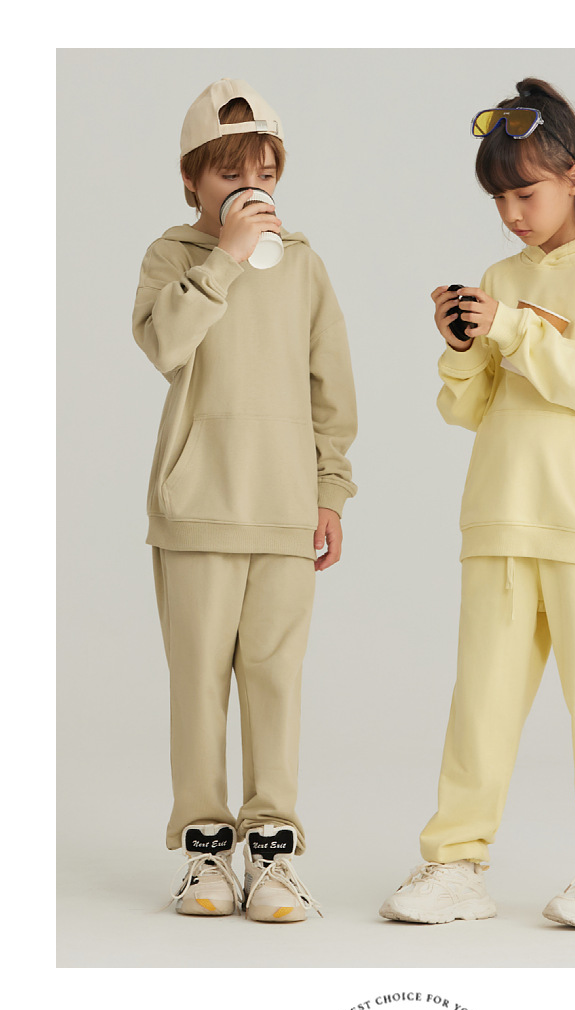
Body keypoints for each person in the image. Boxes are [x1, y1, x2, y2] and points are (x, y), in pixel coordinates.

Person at [379, 77, 575, 930]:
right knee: (481, 701)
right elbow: (468, 409)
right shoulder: (501, 276)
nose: (511, 213)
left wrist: (511, 327)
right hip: (500, 514)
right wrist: (464, 345)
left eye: (525, 193)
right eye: (498, 197)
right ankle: (455, 864)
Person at [132, 79, 357, 922]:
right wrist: (224, 256)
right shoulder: (172, 259)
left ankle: (271, 854)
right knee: (197, 686)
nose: (250, 188)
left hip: (284, 512)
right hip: (196, 510)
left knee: (275, 684)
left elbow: (332, 389)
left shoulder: (303, 265)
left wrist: (329, 491)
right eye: (230, 174)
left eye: (264, 172)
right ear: (192, 179)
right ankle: (204, 852)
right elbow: (164, 344)